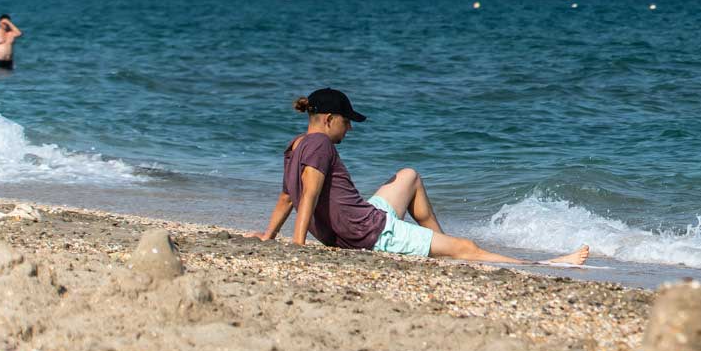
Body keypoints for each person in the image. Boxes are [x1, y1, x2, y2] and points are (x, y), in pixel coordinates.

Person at [251, 88, 589, 267]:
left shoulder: (296, 145)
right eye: (346, 121)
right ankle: (549, 262)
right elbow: (306, 196)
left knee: (409, 175)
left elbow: (287, 196)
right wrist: (297, 246)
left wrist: (269, 236)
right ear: (328, 119)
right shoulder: (321, 144)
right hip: (370, 233)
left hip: (362, 220)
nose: (350, 128)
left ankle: (438, 243)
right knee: (468, 248)